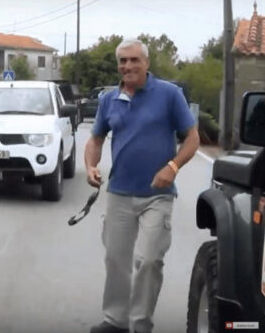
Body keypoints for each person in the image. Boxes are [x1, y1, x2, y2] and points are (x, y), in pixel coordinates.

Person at [85, 39, 199, 333]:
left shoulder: (169, 94)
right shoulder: (109, 99)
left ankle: (139, 325)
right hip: (119, 193)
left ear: (146, 63)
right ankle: (115, 320)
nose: (128, 66)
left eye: (134, 60)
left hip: (157, 196)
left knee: (148, 261)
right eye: (122, 61)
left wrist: (172, 168)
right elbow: (96, 138)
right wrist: (90, 166)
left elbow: (192, 137)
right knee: (116, 261)